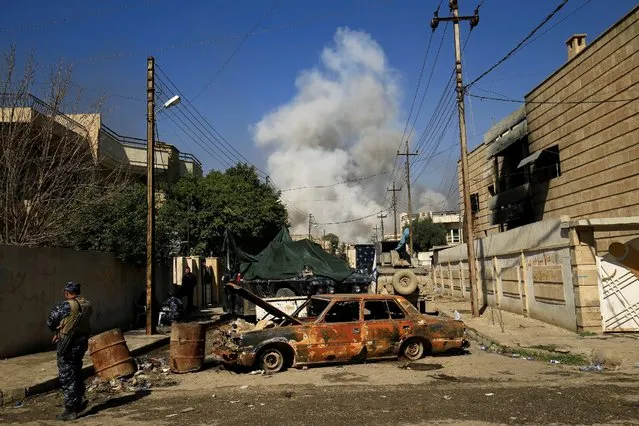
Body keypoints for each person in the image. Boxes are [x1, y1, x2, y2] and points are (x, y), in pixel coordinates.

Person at [46, 282, 93, 421]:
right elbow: (75, 322)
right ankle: (80, 399)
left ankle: (71, 409)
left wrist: (58, 328)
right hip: (81, 343)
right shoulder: (86, 304)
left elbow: (50, 321)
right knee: (77, 370)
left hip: (68, 344)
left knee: (67, 375)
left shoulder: (65, 305)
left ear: (67, 293)